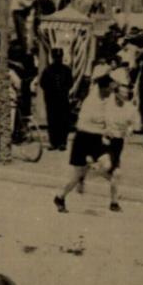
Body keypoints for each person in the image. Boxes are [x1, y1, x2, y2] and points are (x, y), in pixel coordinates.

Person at [55, 65, 113, 213]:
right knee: (75, 176)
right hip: (83, 139)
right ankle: (60, 197)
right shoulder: (90, 102)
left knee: (106, 164)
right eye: (109, 89)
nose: (111, 91)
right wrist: (102, 130)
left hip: (97, 139)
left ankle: (88, 173)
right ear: (102, 88)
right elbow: (81, 125)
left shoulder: (107, 100)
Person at [100, 80, 142, 212]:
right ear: (116, 93)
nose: (124, 96)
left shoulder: (130, 108)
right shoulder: (107, 105)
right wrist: (103, 132)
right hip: (104, 140)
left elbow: (136, 124)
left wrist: (130, 129)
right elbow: (97, 120)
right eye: (122, 93)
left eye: (126, 94)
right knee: (110, 169)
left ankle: (114, 203)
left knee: (115, 173)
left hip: (118, 143)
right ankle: (114, 201)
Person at [39, 48, 74, 150]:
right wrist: (50, 91)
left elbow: (70, 83)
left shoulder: (66, 70)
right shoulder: (47, 70)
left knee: (63, 120)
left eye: (60, 57)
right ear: (52, 57)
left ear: (62, 57)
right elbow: (42, 83)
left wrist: (63, 90)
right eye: (56, 57)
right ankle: (53, 143)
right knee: (52, 121)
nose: (58, 59)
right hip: (51, 100)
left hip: (63, 99)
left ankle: (62, 143)